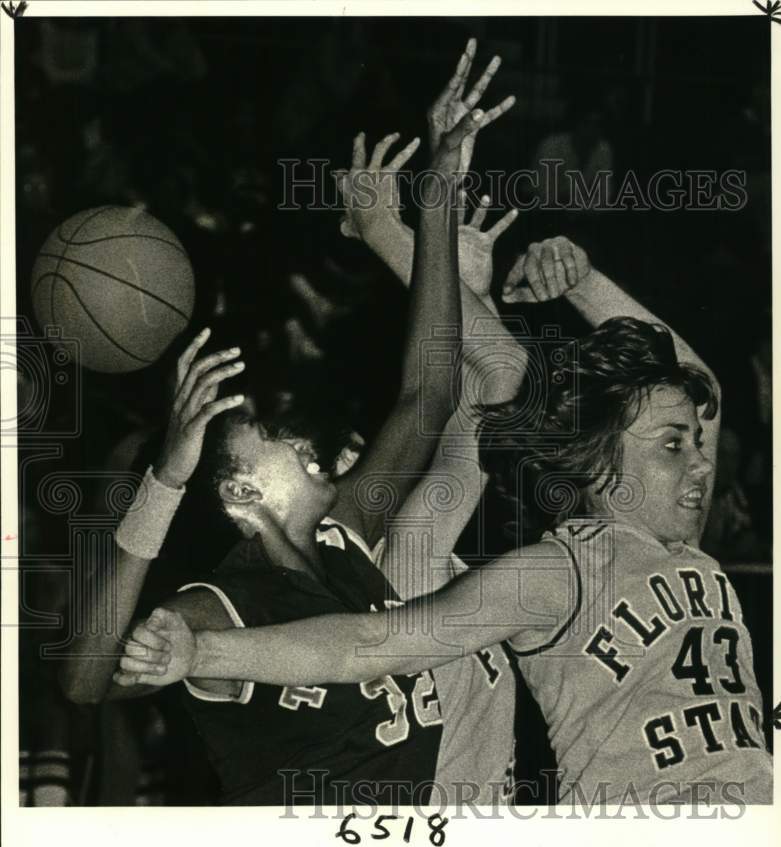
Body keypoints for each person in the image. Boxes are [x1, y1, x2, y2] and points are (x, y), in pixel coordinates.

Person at [120, 243, 774, 807]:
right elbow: (483, 391)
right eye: (331, 456)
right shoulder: (411, 555)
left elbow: (496, 392)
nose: (350, 458)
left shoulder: (475, 569)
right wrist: (417, 249)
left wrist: (470, 279)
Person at [67, 41, 523, 807]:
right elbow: (86, 679)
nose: (299, 435)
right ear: (240, 491)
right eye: (272, 435)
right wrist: (166, 479)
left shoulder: (344, 535)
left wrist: (437, 192)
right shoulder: (221, 602)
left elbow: (429, 394)